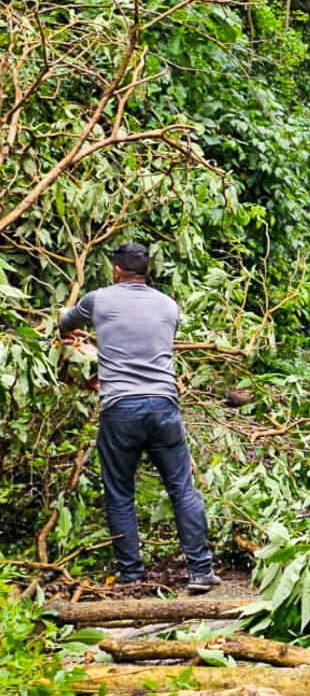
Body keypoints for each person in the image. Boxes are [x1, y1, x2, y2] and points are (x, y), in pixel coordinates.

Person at [58, 242, 220, 593]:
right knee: (181, 488)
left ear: (116, 270)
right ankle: (201, 570)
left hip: (120, 410)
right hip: (164, 405)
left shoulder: (98, 299)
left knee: (120, 494)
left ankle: (131, 576)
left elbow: (64, 323)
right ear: (147, 271)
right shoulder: (168, 305)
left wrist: (78, 339)